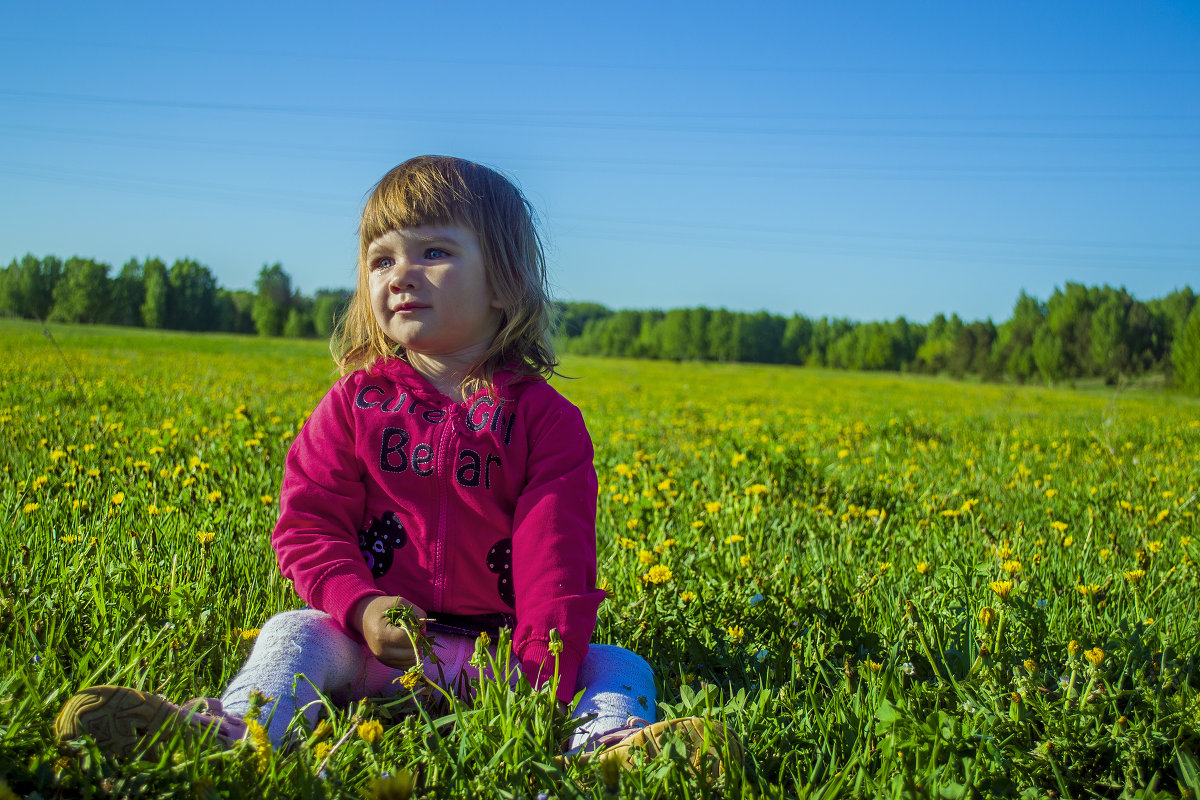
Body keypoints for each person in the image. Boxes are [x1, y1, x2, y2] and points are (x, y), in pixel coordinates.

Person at [56, 156, 736, 774]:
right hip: (372, 647)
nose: (400, 274)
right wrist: (362, 607)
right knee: (292, 631)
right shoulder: (354, 405)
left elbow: (558, 567)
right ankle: (242, 732)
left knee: (617, 663)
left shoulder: (545, 422)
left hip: (501, 660)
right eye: (381, 260)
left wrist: (537, 682)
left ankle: (613, 750)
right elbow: (308, 527)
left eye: (434, 251)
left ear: (506, 282)